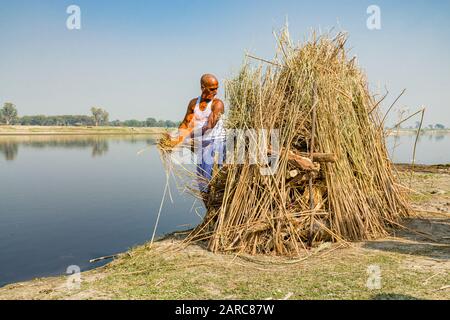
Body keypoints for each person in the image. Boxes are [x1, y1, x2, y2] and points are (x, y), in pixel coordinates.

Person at [166, 74, 226, 193]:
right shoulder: (194, 104)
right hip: (203, 143)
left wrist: (186, 137)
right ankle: (209, 203)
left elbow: (209, 127)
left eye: (217, 88)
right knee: (201, 182)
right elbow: (185, 123)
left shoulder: (217, 104)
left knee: (208, 180)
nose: (216, 92)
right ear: (203, 87)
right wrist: (176, 137)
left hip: (216, 142)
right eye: (212, 89)